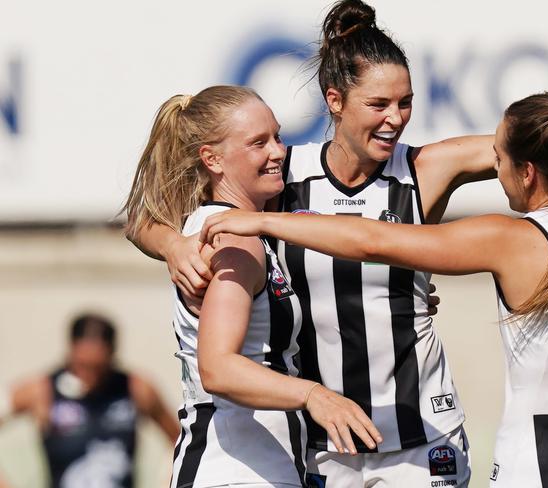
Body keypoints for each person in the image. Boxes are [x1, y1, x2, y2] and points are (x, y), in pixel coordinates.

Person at [128, 2, 548, 487]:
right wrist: (173, 244)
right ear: (335, 102)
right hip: (325, 443)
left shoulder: (424, 169)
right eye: (378, 104)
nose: (395, 118)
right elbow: (142, 218)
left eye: (405, 103)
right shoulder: (282, 174)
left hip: (422, 436)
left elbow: (541, 134)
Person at [123, 85, 381, 488]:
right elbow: (218, 368)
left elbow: (139, 223)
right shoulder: (236, 241)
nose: (278, 151)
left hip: (252, 468)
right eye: (258, 143)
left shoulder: (236, 227)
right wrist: (314, 395)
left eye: (277, 136)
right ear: (212, 159)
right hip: (233, 471)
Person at [1, 313, 179, 488]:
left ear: (111, 355)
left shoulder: (136, 388)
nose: (89, 375)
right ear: (71, 351)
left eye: (98, 367)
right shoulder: (42, 390)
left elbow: (178, 438)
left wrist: (167, 481)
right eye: (82, 365)